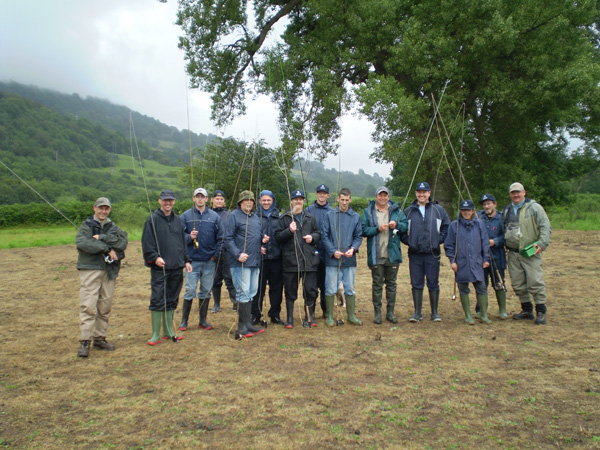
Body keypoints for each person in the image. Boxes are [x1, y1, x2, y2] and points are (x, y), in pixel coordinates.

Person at [75, 197, 128, 358]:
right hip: (90, 269)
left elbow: (122, 243)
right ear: (94, 208)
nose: (103, 211)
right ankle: (85, 340)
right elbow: (83, 244)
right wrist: (106, 248)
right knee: (88, 305)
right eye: (100, 208)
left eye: (106, 208)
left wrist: (103, 238)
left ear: (109, 210)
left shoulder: (113, 227)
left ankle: (100, 337)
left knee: (105, 305)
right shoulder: (86, 226)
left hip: (109, 271)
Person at [142, 190, 192, 345]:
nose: (168, 203)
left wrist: (186, 260)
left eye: (170, 200)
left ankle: (168, 330)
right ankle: (155, 334)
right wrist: (155, 257)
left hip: (177, 266)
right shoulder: (152, 219)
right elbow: (147, 243)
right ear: (159, 201)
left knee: (172, 298)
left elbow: (182, 243)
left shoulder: (177, 220)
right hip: (160, 267)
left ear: (174, 201)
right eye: (165, 200)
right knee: (158, 298)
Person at [502, 182, 551, 324]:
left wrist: (542, 243)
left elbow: (545, 227)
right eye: (513, 192)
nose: (516, 195)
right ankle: (527, 309)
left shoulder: (535, 208)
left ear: (524, 192)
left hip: (531, 252)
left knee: (535, 281)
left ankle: (541, 311)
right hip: (513, 253)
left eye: (518, 192)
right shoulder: (506, 210)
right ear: (510, 194)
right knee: (518, 283)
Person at [401, 182, 450, 322]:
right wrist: (409, 241)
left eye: (424, 192)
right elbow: (401, 230)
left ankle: (434, 313)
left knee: (433, 282)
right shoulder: (408, 211)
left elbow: (446, 228)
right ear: (416, 193)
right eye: (419, 192)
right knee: (416, 283)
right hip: (415, 253)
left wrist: (437, 241)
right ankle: (417, 313)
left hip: (432, 253)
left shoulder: (439, 210)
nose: (421, 194)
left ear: (429, 193)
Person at [362, 186, 408, 324]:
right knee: (377, 285)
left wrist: (398, 225)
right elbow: (363, 230)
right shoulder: (368, 211)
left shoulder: (396, 211)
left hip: (392, 255)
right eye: (380, 195)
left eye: (385, 195)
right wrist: (377, 229)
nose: (382, 198)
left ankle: (390, 312)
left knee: (392, 285)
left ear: (388, 197)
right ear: (376, 197)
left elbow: (406, 226)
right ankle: (377, 313)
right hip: (376, 255)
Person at [178, 187, 222, 331]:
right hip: (192, 261)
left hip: (209, 260)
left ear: (207, 199)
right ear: (193, 198)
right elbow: (178, 238)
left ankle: (203, 320)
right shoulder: (185, 216)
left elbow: (221, 238)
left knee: (206, 290)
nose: (200, 199)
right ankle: (184, 321)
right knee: (190, 290)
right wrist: (189, 237)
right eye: (197, 196)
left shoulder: (215, 217)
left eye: (202, 196)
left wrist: (215, 255)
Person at [275, 189, 321, 328]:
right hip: (291, 261)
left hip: (309, 261)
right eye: (296, 199)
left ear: (303, 201)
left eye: (301, 199)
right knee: (290, 290)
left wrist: (312, 238)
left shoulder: (310, 217)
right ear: (291, 201)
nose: (298, 201)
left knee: (310, 290)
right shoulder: (284, 218)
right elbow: (278, 237)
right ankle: (290, 319)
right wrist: (289, 231)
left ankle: (310, 317)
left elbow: (318, 233)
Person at [224, 190, 265, 338]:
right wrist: (237, 254)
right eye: (246, 200)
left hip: (255, 261)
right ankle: (241, 326)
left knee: (252, 292)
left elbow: (255, 236)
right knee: (243, 292)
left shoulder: (255, 217)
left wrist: (262, 241)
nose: (249, 202)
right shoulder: (234, 216)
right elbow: (227, 239)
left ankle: (248, 324)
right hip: (240, 262)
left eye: (251, 200)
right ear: (240, 202)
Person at [444, 199, 492, 324]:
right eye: (464, 210)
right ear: (460, 211)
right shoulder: (454, 226)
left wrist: (486, 258)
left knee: (481, 287)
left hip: (477, 262)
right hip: (461, 263)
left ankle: (483, 315)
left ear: (473, 211)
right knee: (463, 288)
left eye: (469, 210)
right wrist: (452, 261)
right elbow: (449, 245)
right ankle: (468, 315)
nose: (466, 213)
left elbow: (485, 242)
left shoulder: (480, 224)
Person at [321, 188, 363, 326]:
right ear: (338, 199)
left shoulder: (355, 217)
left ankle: (351, 315)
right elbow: (324, 235)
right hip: (333, 260)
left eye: (347, 200)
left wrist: (353, 249)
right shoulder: (329, 215)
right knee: (330, 288)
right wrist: (332, 251)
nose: (344, 203)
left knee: (349, 288)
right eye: (342, 199)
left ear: (350, 200)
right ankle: (329, 316)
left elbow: (358, 236)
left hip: (349, 260)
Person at [251, 190, 284, 325]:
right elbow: (251, 237)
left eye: (268, 200)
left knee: (276, 288)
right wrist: (258, 246)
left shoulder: (280, 217)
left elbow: (282, 236)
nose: (266, 203)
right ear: (259, 201)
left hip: (276, 258)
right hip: (260, 259)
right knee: (258, 289)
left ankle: (275, 314)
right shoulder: (254, 216)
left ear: (273, 201)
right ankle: (255, 314)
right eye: (263, 200)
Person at [477, 193, 508, 319]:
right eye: (484, 204)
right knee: (481, 283)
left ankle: (502, 310)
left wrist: (495, 241)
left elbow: (507, 234)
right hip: (481, 256)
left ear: (495, 204)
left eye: (489, 203)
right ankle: (480, 310)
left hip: (497, 255)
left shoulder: (502, 218)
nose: (486, 206)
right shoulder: (478, 217)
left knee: (499, 282)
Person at [305, 184, 334, 317]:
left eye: (324, 193)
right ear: (316, 194)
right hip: (312, 253)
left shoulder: (333, 212)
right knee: (312, 285)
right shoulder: (308, 210)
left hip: (327, 254)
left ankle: (326, 311)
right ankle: (310, 312)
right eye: (320, 193)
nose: (322, 195)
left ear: (328, 195)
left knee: (326, 285)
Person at [210, 190, 237, 312]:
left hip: (227, 251)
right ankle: (216, 304)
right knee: (215, 279)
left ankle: (235, 302)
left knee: (229, 278)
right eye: (217, 199)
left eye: (221, 199)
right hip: (213, 251)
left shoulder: (229, 215)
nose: (219, 201)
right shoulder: (208, 214)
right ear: (212, 200)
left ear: (224, 201)